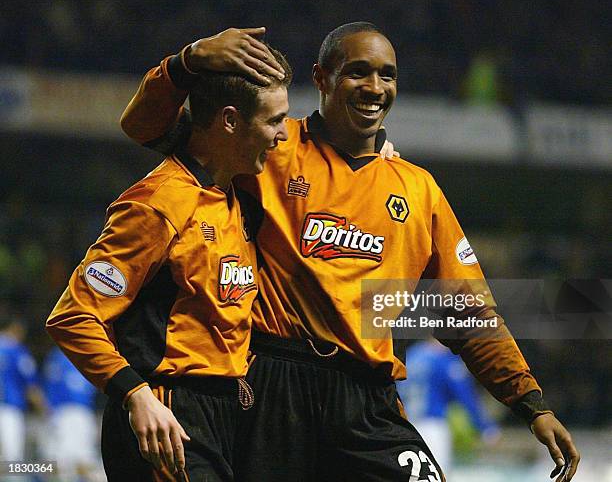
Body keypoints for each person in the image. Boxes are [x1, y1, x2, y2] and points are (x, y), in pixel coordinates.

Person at [119, 24, 580, 482]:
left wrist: (529, 402)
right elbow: (144, 126)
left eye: (387, 75)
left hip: (366, 401)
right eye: (358, 72)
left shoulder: (419, 190)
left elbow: (465, 312)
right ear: (321, 79)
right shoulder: (266, 147)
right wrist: (186, 63)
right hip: (271, 387)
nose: (375, 88)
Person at [46, 40, 292, 481]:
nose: (284, 135)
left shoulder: (236, 195)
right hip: (167, 413)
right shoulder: (157, 204)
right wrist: (135, 395)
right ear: (231, 121)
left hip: (225, 414)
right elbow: (74, 316)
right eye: (274, 120)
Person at [396, 339, 500, 473]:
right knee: (437, 475)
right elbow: (465, 396)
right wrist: (486, 427)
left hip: (407, 427)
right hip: (433, 428)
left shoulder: (413, 355)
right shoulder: (443, 360)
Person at [41, 346, 100, 481]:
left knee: (62, 463)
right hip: (75, 413)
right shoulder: (89, 354)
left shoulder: (57, 356)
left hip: (68, 414)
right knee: (76, 461)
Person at [0, 314, 45, 461]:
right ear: (16, 329)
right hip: (9, 410)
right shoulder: (16, 349)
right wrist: (44, 411)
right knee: (12, 461)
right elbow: (31, 386)